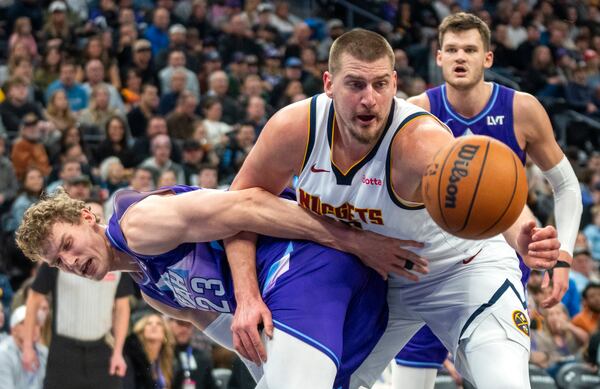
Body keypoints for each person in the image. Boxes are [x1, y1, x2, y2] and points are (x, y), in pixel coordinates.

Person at [223, 28, 560, 389]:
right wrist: (247, 298)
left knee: (505, 382)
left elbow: (487, 188)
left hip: (464, 274)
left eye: (381, 84)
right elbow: (236, 210)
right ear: (329, 84)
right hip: (383, 283)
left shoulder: (421, 141)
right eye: (355, 85)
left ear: (395, 84)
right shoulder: (294, 129)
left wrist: (522, 232)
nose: (370, 99)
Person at [14, 186, 412, 389]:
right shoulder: (152, 292)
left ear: (87, 216)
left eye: (66, 245)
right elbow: (247, 344)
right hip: (321, 298)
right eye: (56, 263)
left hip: (306, 262)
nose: (69, 263)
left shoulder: (138, 224)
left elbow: (250, 205)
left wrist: (354, 241)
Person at [392, 12, 583, 388]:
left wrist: (563, 257)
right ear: (439, 57)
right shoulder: (417, 111)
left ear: (488, 58)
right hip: (432, 268)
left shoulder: (521, 109)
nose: (460, 57)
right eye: (451, 49)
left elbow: (568, 186)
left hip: (498, 271)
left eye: (470, 49)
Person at [20, 246, 133, 389]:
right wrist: (27, 346)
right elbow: (34, 298)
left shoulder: (115, 258)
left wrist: (118, 351)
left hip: (104, 351)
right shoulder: (58, 256)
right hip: (63, 352)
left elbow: (122, 307)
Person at [0, 305, 48, 389]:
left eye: (36, 323)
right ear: (13, 330)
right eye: (26, 323)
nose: (32, 327)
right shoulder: (3, 355)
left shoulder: (45, 352)